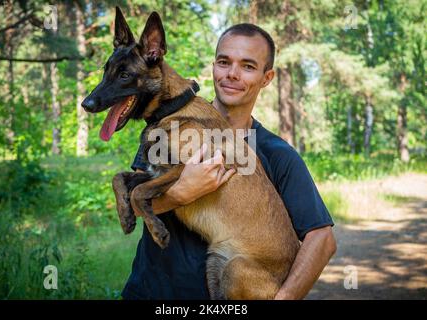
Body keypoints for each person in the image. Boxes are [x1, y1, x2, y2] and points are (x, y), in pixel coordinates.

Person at [121, 23, 336, 300]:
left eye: (247, 66)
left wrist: (285, 298)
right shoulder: (169, 125)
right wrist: (182, 192)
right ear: (213, 67)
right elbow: (132, 207)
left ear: (267, 77)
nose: (232, 74)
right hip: (151, 293)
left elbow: (322, 239)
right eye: (224, 62)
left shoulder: (277, 154)